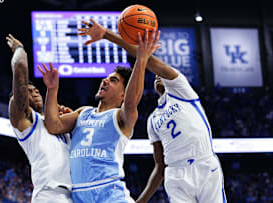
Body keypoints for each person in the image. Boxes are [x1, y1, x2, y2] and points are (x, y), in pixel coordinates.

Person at [78, 19, 227, 203]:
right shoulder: (152, 119)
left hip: (204, 165)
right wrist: (142, 200)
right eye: (155, 75)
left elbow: (147, 59)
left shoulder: (182, 91)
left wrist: (108, 35)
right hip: (175, 174)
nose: (157, 75)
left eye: (161, 74)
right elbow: (160, 166)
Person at [38, 26, 161, 202]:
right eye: (107, 78)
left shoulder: (121, 117)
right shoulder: (83, 112)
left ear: (123, 95)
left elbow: (133, 100)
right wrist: (52, 89)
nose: (105, 80)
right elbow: (52, 125)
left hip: (109, 193)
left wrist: (141, 60)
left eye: (113, 80)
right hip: (80, 195)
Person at [6, 34, 73, 203]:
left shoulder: (58, 124)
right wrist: (19, 49)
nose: (34, 92)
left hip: (75, 195)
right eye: (28, 91)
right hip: (49, 195)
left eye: (36, 90)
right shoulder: (27, 121)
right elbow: (20, 67)